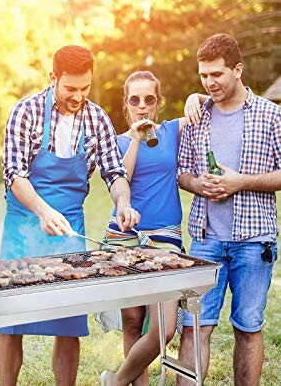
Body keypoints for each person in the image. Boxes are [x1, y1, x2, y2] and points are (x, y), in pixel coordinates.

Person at [0, 45, 140, 386]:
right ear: (53, 78)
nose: (78, 96)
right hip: (24, 227)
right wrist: (43, 211)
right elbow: (14, 174)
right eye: (70, 88)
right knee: (11, 322)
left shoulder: (97, 119)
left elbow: (114, 172)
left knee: (69, 324)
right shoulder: (26, 112)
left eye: (85, 88)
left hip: (70, 231)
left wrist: (122, 202)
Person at [176, 33, 280, 386]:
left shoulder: (270, 115)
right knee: (192, 329)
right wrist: (196, 184)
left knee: (248, 328)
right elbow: (182, 171)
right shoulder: (197, 115)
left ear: (238, 69)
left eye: (216, 74)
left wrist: (241, 182)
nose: (209, 83)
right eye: (203, 76)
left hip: (254, 241)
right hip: (206, 240)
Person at [99, 71, 205, 386]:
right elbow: (122, 179)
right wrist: (134, 138)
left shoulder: (171, 131)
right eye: (135, 100)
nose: (142, 106)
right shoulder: (118, 142)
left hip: (165, 239)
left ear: (158, 104)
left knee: (165, 328)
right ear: (126, 105)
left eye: (149, 99)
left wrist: (193, 97)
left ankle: (116, 381)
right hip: (125, 238)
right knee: (133, 322)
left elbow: (212, 102)